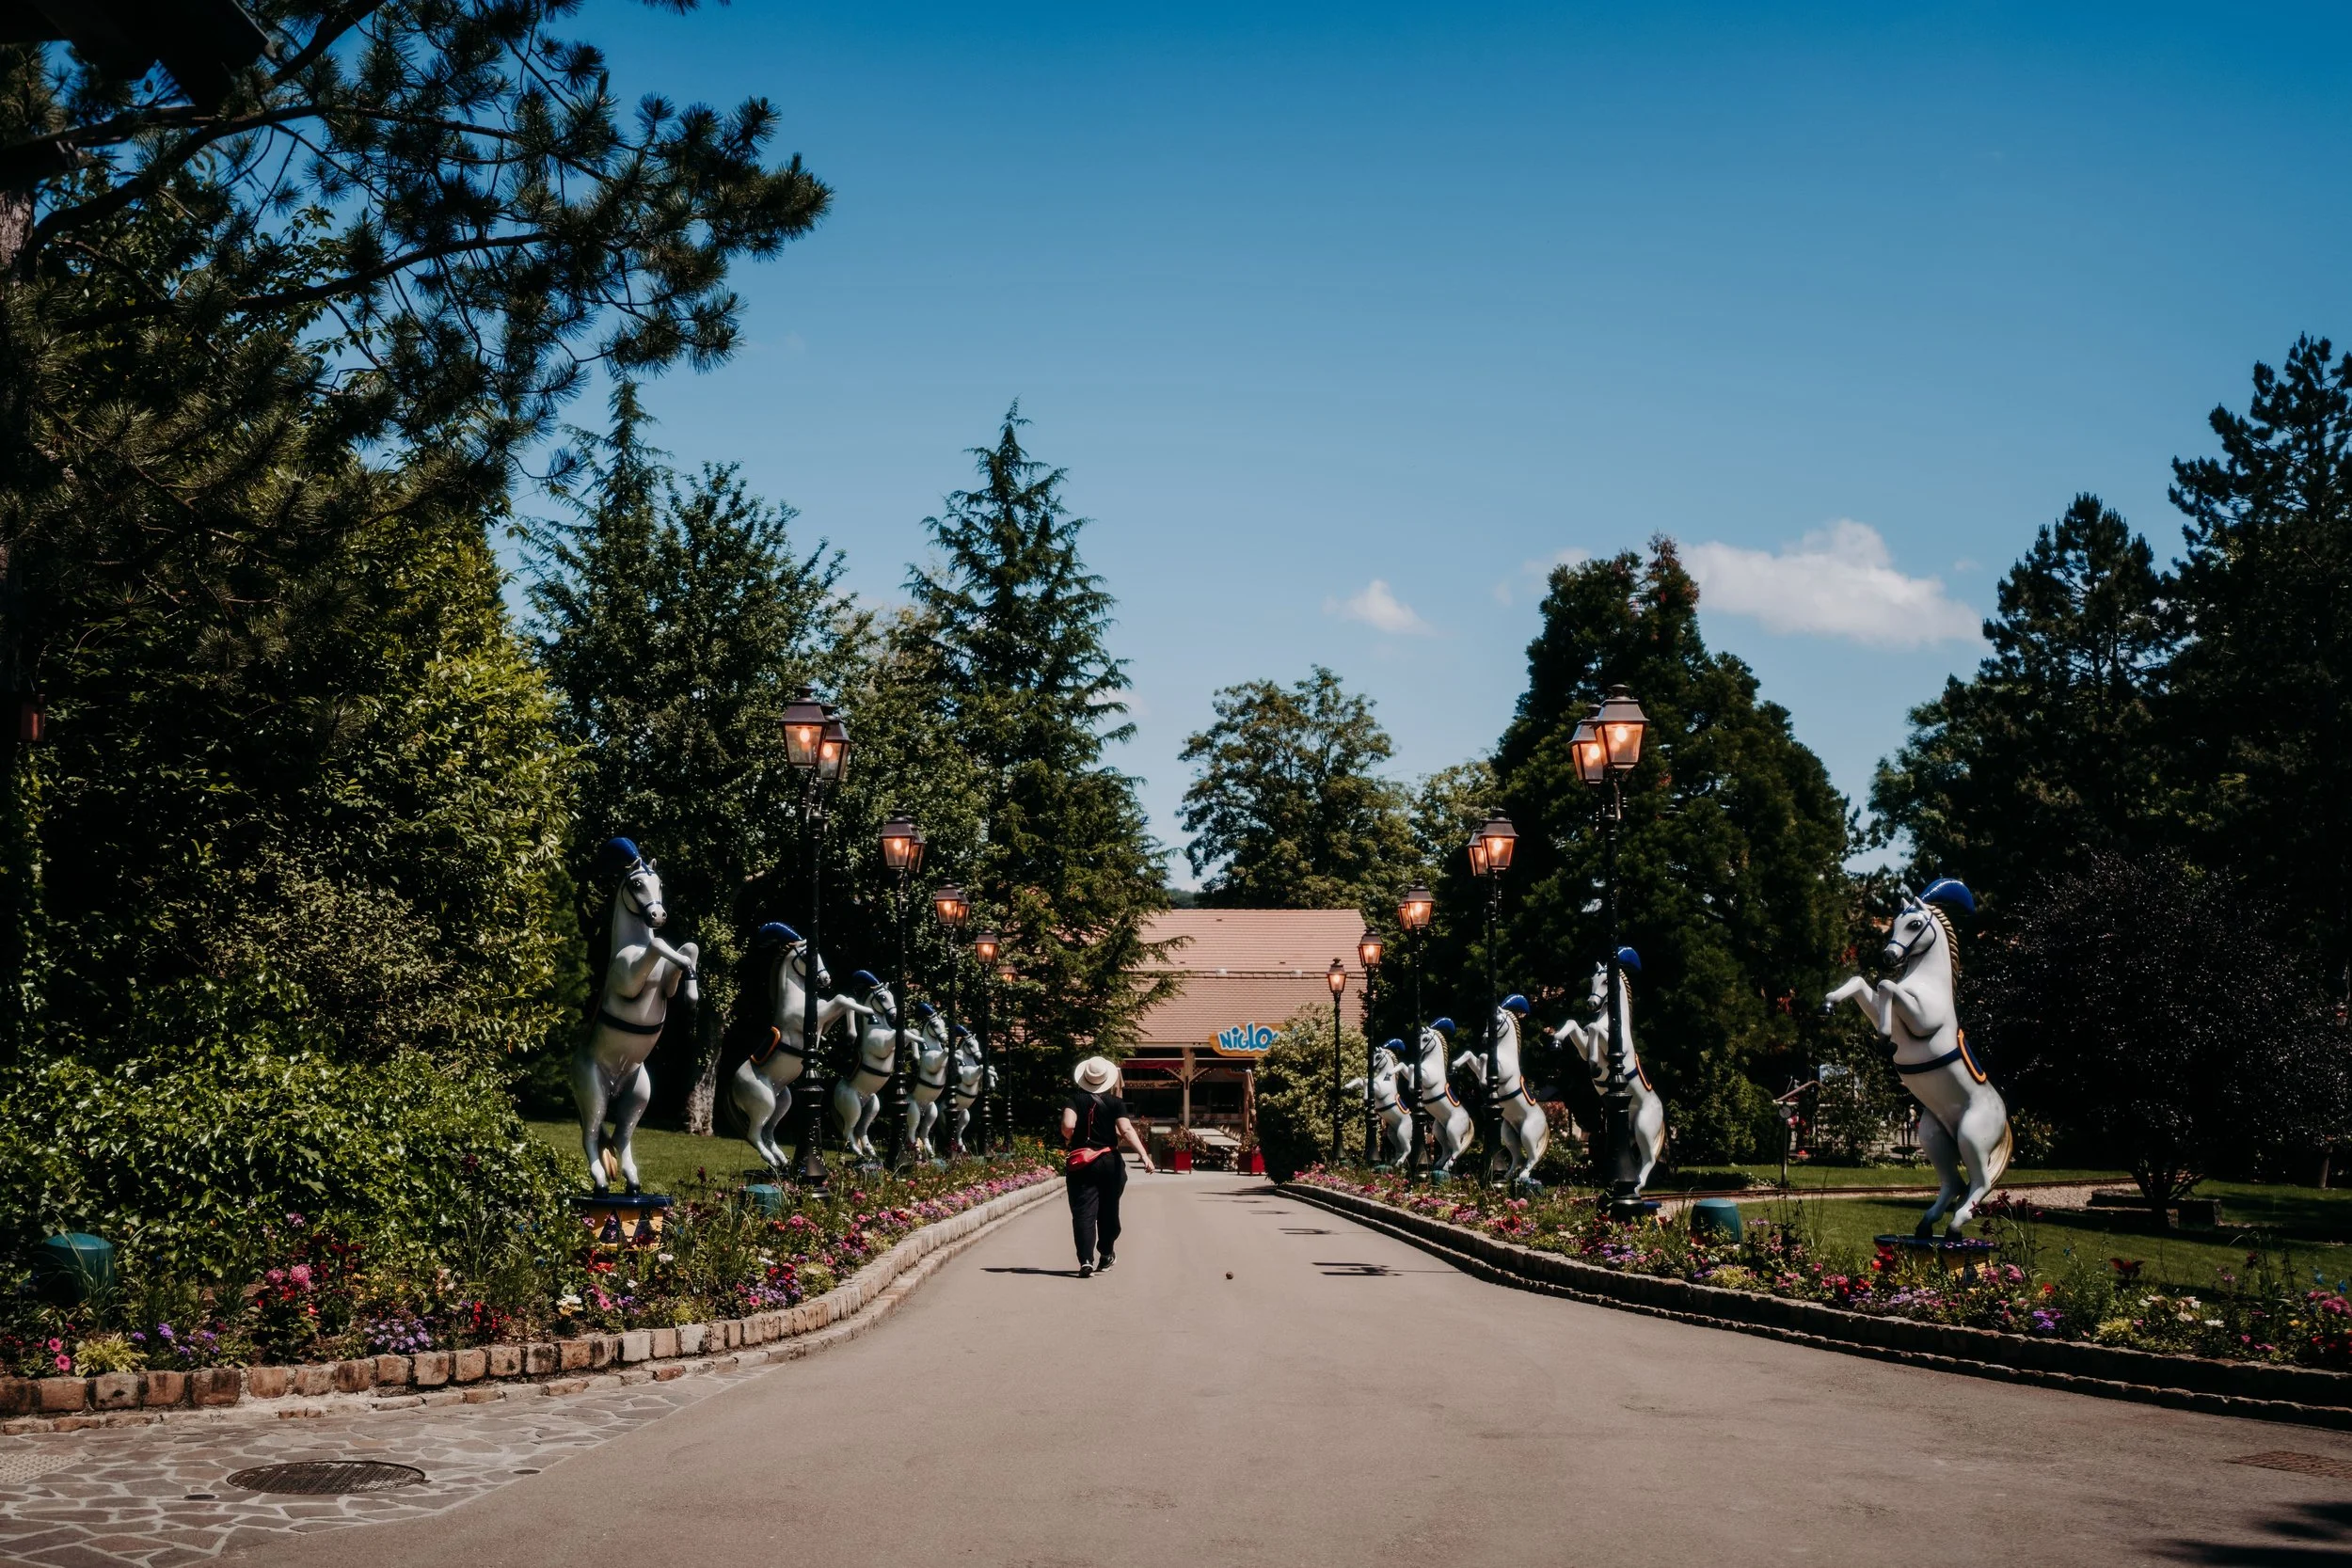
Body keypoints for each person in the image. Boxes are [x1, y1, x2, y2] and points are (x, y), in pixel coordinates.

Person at [1062, 1054, 1154, 1276]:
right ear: (1106, 1080)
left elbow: (1068, 1125)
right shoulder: (1115, 1103)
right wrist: (1144, 1155)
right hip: (1109, 1162)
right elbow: (1127, 1131)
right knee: (1108, 1209)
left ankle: (1085, 1260)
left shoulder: (1074, 1100)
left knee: (1084, 1211)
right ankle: (1106, 1253)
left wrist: (1070, 1139)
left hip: (1082, 1163)